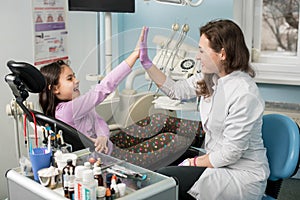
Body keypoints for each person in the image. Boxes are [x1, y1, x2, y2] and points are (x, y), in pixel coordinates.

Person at [138, 19, 270, 200]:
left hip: (241, 176)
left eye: (201, 51)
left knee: (166, 181)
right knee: (162, 166)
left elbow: (231, 152)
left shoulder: (244, 93)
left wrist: (192, 163)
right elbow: (176, 90)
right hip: (217, 162)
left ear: (222, 54)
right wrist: (147, 63)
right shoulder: (210, 77)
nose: (197, 57)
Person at [39, 49, 139, 154]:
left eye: (74, 76)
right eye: (70, 79)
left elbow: (99, 121)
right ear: (55, 89)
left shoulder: (77, 105)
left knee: (154, 120)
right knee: (156, 137)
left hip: (109, 149)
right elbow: (102, 89)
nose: (77, 81)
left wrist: (103, 136)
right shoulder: (67, 110)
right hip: (108, 158)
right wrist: (133, 56)